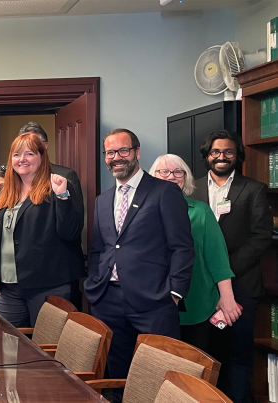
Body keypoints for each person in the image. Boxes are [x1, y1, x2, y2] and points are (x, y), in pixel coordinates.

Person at [85, 129, 194, 400]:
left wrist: (175, 292)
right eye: (110, 152)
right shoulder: (102, 200)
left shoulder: (164, 192)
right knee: (117, 375)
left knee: (160, 375)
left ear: (137, 152)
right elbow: (99, 249)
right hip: (108, 299)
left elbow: (182, 247)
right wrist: (94, 285)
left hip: (154, 300)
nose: (117, 158)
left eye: (123, 151)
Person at [191, 130, 272, 403]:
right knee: (206, 353)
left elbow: (261, 236)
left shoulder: (254, 189)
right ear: (207, 155)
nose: (222, 157)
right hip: (201, 288)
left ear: (237, 156)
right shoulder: (193, 189)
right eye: (216, 152)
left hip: (241, 286)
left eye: (228, 152)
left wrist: (222, 270)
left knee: (238, 353)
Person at [0, 134, 82, 327]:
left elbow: (70, 233)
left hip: (47, 285)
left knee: (44, 348)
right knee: (4, 343)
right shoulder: (5, 192)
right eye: (17, 154)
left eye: (29, 153)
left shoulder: (58, 187)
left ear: (42, 157)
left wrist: (62, 197)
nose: (22, 159)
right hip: (9, 287)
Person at [149, 154, 240, 353]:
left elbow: (217, 258)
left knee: (195, 366)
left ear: (186, 177)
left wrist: (227, 297)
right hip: (155, 302)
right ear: (152, 177)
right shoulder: (144, 212)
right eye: (163, 171)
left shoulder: (201, 211)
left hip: (197, 301)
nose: (171, 176)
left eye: (177, 172)